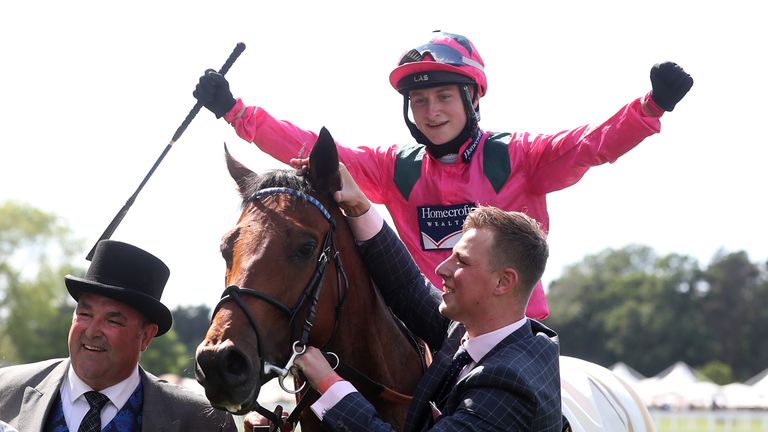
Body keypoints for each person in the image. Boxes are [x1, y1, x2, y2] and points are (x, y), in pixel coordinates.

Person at [193, 31, 693, 320]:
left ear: (473, 99)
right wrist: (238, 112)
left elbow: (590, 147)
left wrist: (650, 107)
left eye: (443, 98)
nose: (431, 112)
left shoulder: (521, 156)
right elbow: (316, 151)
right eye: (419, 101)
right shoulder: (396, 167)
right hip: (425, 327)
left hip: (514, 332)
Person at [246, 163, 562, 431]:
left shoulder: (511, 382)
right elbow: (407, 287)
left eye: (461, 261)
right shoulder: (473, 334)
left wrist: (330, 385)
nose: (441, 268)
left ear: (503, 282)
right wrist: (360, 208)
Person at [0, 240, 236, 432]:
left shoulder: (204, 422)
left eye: (113, 320)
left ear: (146, 336)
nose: (92, 331)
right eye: (84, 313)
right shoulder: (6, 391)